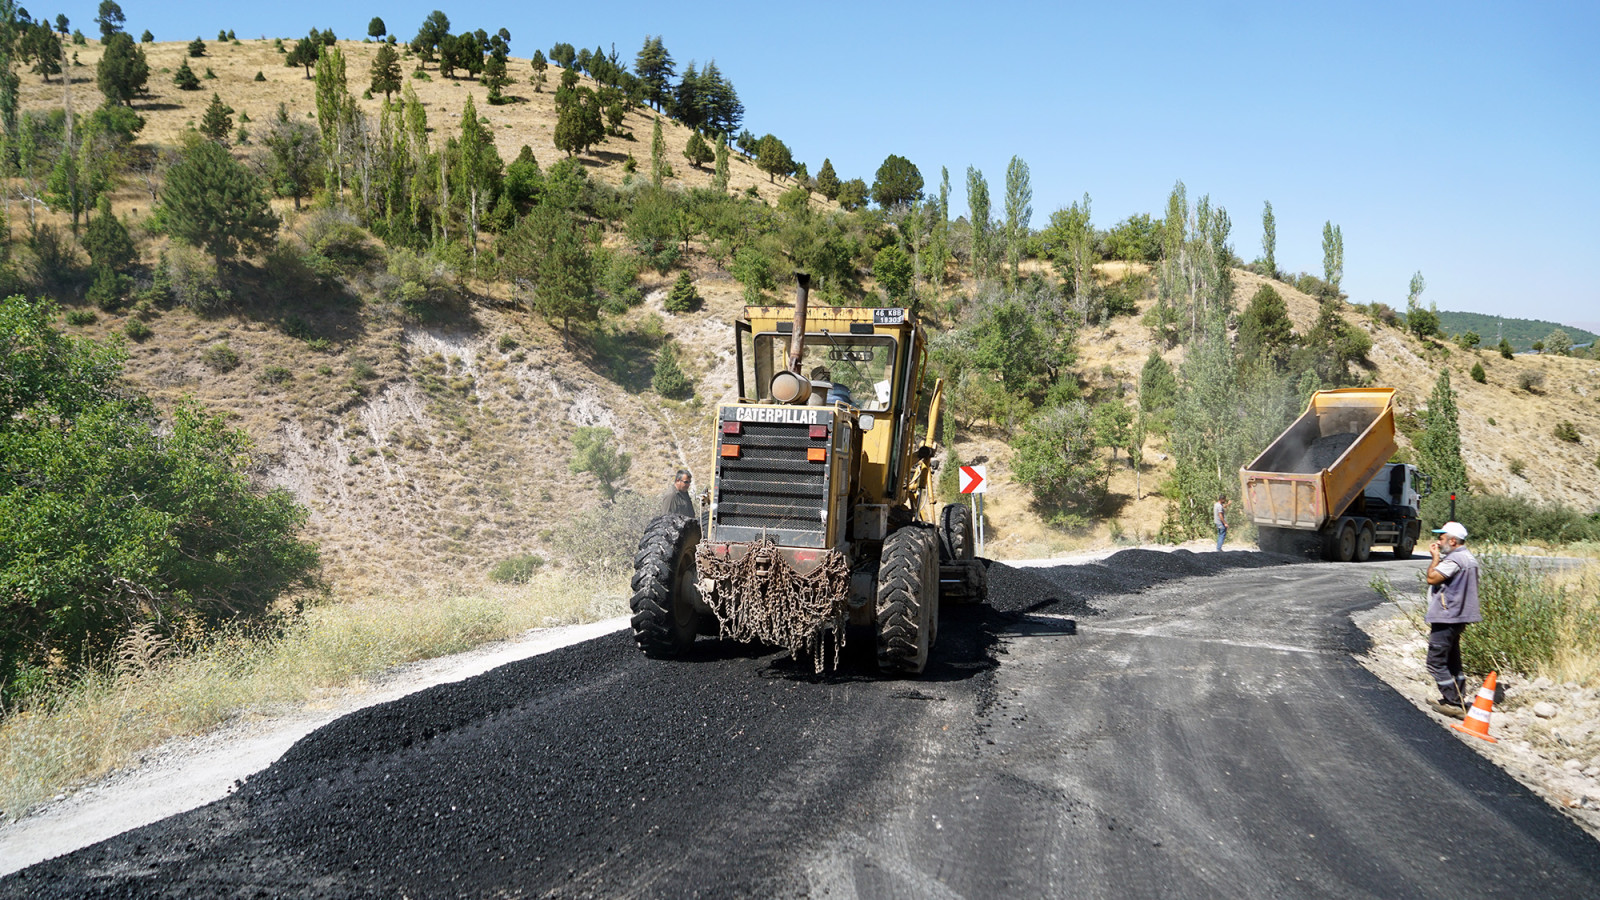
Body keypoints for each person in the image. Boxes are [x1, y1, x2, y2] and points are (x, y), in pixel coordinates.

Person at [1423, 521, 1481, 718]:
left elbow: (1432, 578)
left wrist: (1435, 558)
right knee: (1453, 660)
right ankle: (1459, 700)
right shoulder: (1469, 558)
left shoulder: (1455, 559)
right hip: (1459, 616)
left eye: (1441, 538)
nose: (1438, 542)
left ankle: (1453, 703)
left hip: (1447, 615)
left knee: (1435, 661)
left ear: (1453, 540)